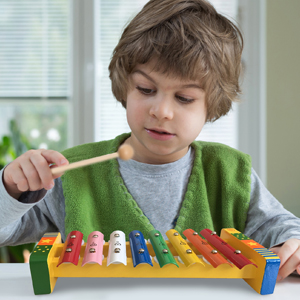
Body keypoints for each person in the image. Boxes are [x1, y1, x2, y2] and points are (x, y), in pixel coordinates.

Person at [0, 0, 299, 282]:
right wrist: (12, 189)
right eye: (145, 89)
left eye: (184, 98)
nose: (162, 111)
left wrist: (293, 244)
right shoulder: (72, 173)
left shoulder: (230, 172)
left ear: (212, 104)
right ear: (125, 86)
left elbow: (281, 227)